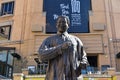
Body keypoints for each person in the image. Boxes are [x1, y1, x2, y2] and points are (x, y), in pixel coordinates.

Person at [38, 16, 89, 80]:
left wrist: (83, 63)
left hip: (73, 76)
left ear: (68, 25)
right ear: (56, 25)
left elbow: (83, 57)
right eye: (59, 22)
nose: (61, 24)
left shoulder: (76, 40)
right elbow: (41, 55)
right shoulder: (49, 40)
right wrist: (60, 48)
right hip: (55, 77)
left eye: (64, 22)